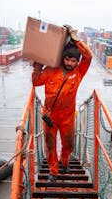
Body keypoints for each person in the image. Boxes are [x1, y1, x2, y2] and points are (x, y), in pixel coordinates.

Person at [32, 26, 92, 181]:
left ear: (77, 62)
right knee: (50, 145)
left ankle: (65, 162)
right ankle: (53, 171)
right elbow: (36, 81)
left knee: (68, 145)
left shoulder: (79, 72)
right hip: (50, 116)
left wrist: (76, 39)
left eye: (73, 61)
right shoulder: (51, 70)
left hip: (68, 117)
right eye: (67, 59)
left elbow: (88, 56)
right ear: (62, 58)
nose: (70, 63)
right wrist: (38, 64)